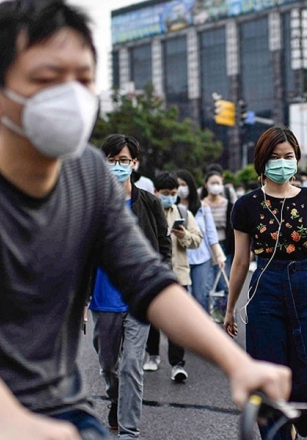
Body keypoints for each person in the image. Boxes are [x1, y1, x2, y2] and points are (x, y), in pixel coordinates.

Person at [0, 2, 291, 439]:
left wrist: (237, 364)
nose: (70, 96)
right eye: (46, 79)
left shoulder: (89, 173)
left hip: (58, 408)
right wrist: (2, 418)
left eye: (82, 78)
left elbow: (147, 279)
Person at [225, 126, 307, 440]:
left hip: (305, 284)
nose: (282, 162)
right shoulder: (246, 205)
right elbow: (240, 261)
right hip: (266, 288)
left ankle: (291, 423)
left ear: (297, 159)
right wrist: (229, 308)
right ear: (262, 162)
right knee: (268, 372)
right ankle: (276, 434)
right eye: (275, 157)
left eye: (288, 156)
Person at [90, 134, 171, 438]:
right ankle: (115, 399)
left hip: (139, 299)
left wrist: (159, 284)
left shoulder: (149, 202)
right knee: (109, 366)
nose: (118, 166)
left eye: (124, 161)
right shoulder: (94, 203)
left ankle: (128, 432)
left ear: (135, 164)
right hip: (103, 298)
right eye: (112, 161)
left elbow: (163, 245)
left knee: (131, 366)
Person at [145, 171, 203, 381]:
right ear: (156, 192)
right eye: (165, 193)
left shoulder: (183, 213)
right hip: (153, 273)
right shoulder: (149, 211)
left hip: (179, 275)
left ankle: (177, 364)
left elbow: (198, 239)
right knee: (152, 318)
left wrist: (184, 235)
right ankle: (152, 355)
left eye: (173, 193)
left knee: (177, 322)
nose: (170, 196)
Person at [176, 169, 226, 317]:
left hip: (201, 259)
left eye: (183, 184)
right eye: (178, 185)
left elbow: (211, 234)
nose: (181, 189)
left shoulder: (203, 208)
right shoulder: (172, 208)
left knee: (200, 297)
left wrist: (218, 255)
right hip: (180, 259)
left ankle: (199, 333)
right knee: (182, 299)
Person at [200, 169, 235, 321]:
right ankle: (205, 317)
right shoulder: (201, 205)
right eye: (212, 183)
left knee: (224, 282)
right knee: (206, 284)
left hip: (224, 247)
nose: (215, 186)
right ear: (206, 185)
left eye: (218, 183)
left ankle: (221, 315)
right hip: (206, 249)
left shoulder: (229, 205)